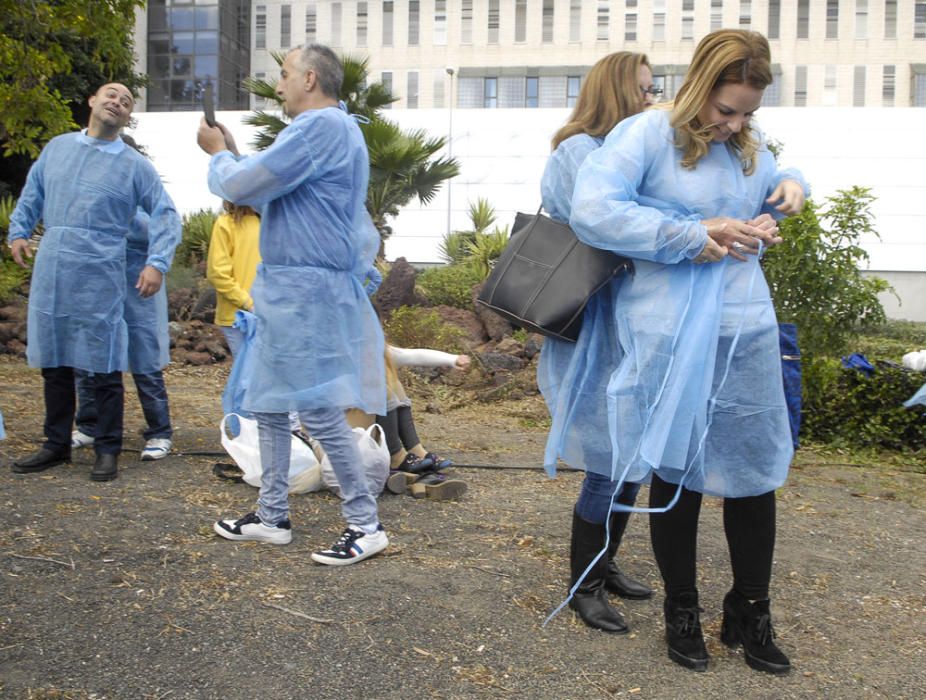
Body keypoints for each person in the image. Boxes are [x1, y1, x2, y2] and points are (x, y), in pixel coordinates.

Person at [564, 29, 807, 674]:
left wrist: (786, 195)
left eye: (748, 112)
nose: (733, 124)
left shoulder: (747, 144)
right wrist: (690, 232)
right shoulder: (647, 134)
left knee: (754, 475)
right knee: (679, 470)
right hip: (668, 327)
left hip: (743, 326)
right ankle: (683, 608)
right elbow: (593, 210)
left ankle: (749, 608)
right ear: (699, 86)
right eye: (725, 110)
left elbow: (776, 176)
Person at [199, 44, 390, 565]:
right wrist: (236, 158)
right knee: (266, 401)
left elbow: (240, 184)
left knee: (318, 407)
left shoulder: (319, 127)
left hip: (307, 291)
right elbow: (268, 190)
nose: (278, 85)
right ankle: (271, 515)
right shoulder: (335, 130)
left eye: (283, 75)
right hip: (290, 290)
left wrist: (218, 153)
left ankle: (364, 524)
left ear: (310, 78)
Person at [538, 51, 661, 637]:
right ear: (614, 92)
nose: (650, 98)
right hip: (591, 327)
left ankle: (605, 563)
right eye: (641, 89)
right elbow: (605, 225)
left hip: (628, 327)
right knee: (606, 463)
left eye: (652, 88)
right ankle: (583, 582)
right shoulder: (579, 152)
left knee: (631, 451)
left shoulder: (623, 152)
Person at [7, 82, 181, 482]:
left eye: (126, 101)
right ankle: (55, 444)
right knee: (55, 361)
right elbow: (33, 191)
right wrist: (19, 230)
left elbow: (165, 214)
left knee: (104, 364)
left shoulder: (135, 165)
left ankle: (107, 447)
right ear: (91, 101)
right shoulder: (58, 148)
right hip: (55, 265)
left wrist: (156, 263)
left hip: (103, 269)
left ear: (128, 116)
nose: (117, 102)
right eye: (111, 95)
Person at [72, 205, 174, 461]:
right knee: (88, 358)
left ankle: (159, 431)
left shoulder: (140, 186)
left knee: (145, 358)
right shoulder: (90, 190)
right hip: (96, 279)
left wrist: (116, 217)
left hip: (138, 284)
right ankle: (89, 426)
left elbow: (163, 225)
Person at [378, 344, 470, 501]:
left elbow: (412, 355)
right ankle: (397, 460)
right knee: (380, 387)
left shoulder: (371, 349)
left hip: (365, 430)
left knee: (393, 383)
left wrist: (452, 359)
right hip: (347, 433)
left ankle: (414, 457)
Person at [206, 201, 261, 358]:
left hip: (263, 313)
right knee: (248, 376)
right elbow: (217, 273)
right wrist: (248, 303)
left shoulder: (267, 223)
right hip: (237, 318)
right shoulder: (226, 224)